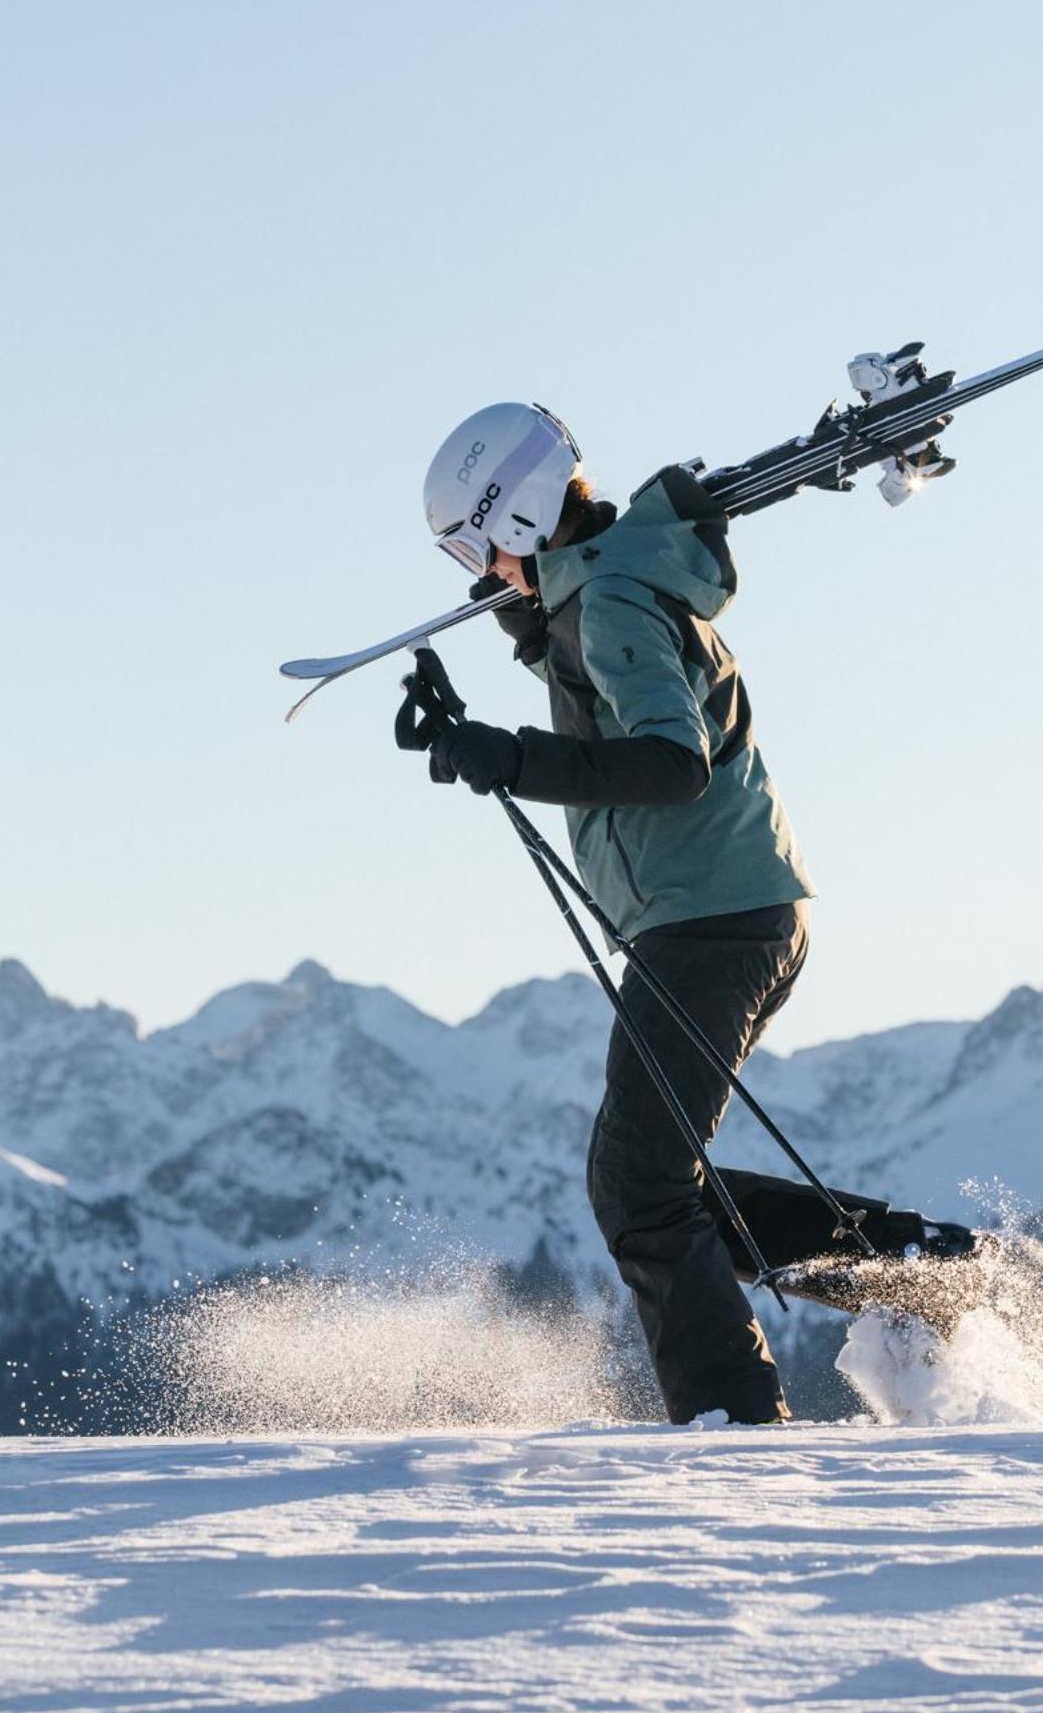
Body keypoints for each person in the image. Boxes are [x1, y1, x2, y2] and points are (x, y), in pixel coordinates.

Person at [409, 402, 983, 1426]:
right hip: (724, 911)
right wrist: (503, 690)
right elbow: (612, 704)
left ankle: (738, 1426)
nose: (472, 566)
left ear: (524, 514)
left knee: (637, 1184)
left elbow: (671, 763)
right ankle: (911, 1266)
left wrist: (514, 754)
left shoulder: (616, 601)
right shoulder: (604, 596)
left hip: (713, 920)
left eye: (472, 540)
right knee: (650, 1177)